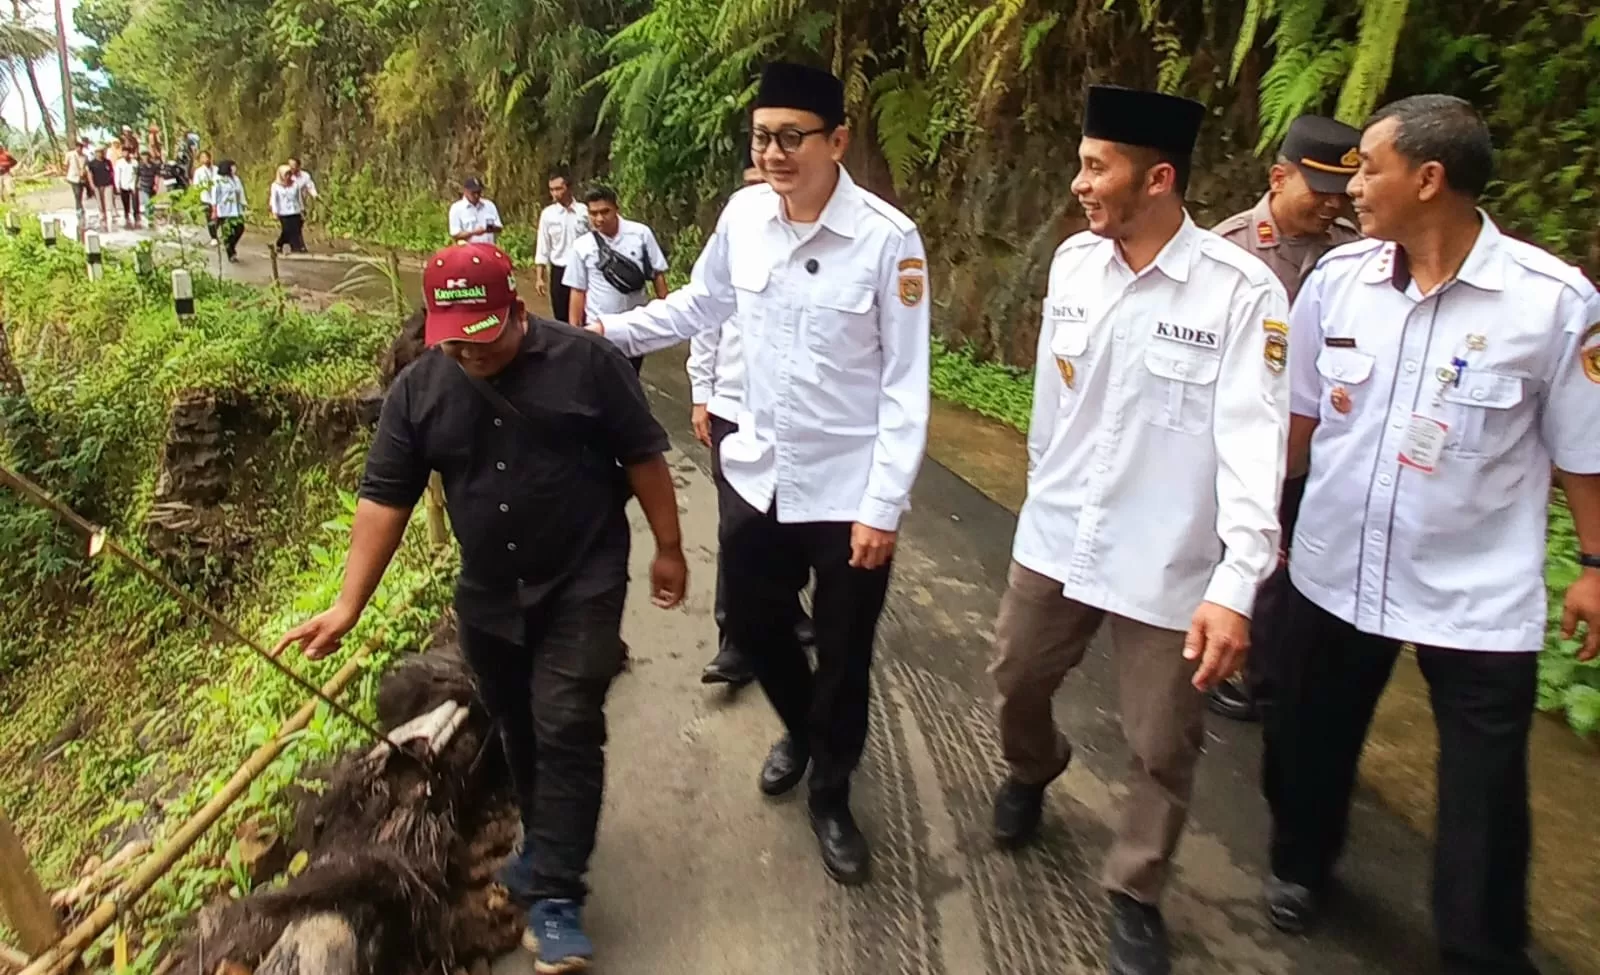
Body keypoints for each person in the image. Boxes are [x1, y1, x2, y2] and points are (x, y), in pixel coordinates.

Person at [274, 242, 688, 974]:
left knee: (566, 720)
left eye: (484, 331)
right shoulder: (421, 390)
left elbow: (644, 455)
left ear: (517, 310)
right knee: (518, 726)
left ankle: (557, 894)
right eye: (454, 335)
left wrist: (669, 546)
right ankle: (541, 846)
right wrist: (347, 605)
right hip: (490, 591)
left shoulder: (586, 364)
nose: (470, 349)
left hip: (581, 577)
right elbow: (385, 499)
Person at [1262, 94, 1600, 975]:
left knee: (1485, 789)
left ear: (1428, 178)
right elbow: (1294, 425)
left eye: (1368, 167)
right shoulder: (1337, 285)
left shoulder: (1554, 304)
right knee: (1305, 730)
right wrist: (1256, 530)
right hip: (1335, 561)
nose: (1352, 186)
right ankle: (1301, 864)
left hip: (1474, 585)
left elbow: (1586, 451)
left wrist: (1595, 565)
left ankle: (1479, 948)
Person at [589, 61, 931, 887]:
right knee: (758, 623)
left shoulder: (888, 240)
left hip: (848, 491)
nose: (774, 154)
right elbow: (703, 305)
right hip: (757, 475)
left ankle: (833, 795)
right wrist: (608, 336)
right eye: (761, 138)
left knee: (845, 654)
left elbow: (905, 384)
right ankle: (807, 728)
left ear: (838, 140)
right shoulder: (744, 215)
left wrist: (883, 507)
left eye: (791, 137)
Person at [986, 85, 1288, 975]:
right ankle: (1033, 767)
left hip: (1168, 556)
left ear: (1158, 178)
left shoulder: (1241, 293)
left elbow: (1252, 442)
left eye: (1094, 166)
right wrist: (1041, 490)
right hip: (1059, 536)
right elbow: (1053, 402)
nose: (1078, 183)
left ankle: (1136, 887)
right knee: (1013, 676)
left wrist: (1235, 584)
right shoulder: (1074, 265)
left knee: (1164, 743)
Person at [1206, 115, 1363, 723]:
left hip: (1317, 442)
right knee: (1240, 546)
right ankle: (1226, 654)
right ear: (1279, 177)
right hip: (1240, 436)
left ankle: (1271, 672)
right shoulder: (1228, 249)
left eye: (1340, 194)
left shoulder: (1354, 254)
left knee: (1292, 557)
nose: (1331, 204)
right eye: (1319, 190)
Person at [686, 160, 817, 687]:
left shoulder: (816, 256)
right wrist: (700, 395)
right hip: (733, 410)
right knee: (738, 525)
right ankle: (735, 641)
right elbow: (703, 320)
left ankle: (785, 613)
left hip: (798, 417)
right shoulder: (735, 242)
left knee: (791, 520)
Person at [564, 185, 668, 374]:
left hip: (636, 324)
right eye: (593, 213)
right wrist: (575, 331)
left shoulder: (640, 234)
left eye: (605, 212)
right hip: (599, 327)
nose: (599, 219)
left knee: (631, 374)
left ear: (616, 209)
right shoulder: (582, 246)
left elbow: (657, 274)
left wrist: (667, 313)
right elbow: (578, 290)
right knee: (602, 378)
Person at [534, 173, 588, 324]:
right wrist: (539, 277)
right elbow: (543, 246)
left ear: (569, 188)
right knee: (560, 315)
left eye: (559, 188)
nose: (555, 193)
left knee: (584, 314)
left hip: (583, 269)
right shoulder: (548, 215)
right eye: (552, 189)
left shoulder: (584, 212)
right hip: (559, 271)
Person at [448, 176, 503, 245]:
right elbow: (455, 234)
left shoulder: (489, 205)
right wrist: (473, 232)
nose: (476, 195)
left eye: (479, 192)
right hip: (468, 251)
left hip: (488, 248)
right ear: (465, 191)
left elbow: (499, 227)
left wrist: (487, 229)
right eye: (473, 193)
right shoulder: (456, 208)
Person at [211, 159, 247, 262]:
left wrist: (244, 204)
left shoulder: (236, 179)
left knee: (240, 228)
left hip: (236, 209)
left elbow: (241, 192)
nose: (234, 169)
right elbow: (215, 196)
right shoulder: (218, 179)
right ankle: (230, 253)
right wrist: (214, 210)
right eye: (232, 167)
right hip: (224, 209)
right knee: (228, 232)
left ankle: (231, 245)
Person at [270, 164, 307, 254]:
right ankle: (280, 243)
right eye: (286, 174)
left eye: (290, 174)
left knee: (296, 229)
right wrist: (275, 211)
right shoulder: (275, 186)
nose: (288, 177)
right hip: (283, 212)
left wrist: (302, 209)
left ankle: (296, 246)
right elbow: (274, 199)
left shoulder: (295, 185)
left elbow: (299, 198)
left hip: (295, 210)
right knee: (287, 230)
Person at [192, 151, 219, 241]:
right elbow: (196, 185)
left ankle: (216, 229)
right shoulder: (199, 171)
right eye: (202, 157)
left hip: (216, 196)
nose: (204, 159)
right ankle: (213, 237)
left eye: (206, 157)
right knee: (209, 218)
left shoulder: (216, 169)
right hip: (205, 197)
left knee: (219, 217)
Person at [87, 147, 115, 229]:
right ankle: (102, 213)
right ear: (95, 153)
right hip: (97, 184)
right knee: (100, 200)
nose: (100, 154)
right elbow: (89, 174)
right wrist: (91, 183)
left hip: (107, 184)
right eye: (98, 152)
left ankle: (109, 214)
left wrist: (113, 182)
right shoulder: (91, 163)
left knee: (108, 199)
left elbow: (111, 172)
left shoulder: (107, 162)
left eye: (101, 152)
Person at [114, 148, 140, 228]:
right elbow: (117, 175)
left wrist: (135, 184)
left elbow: (136, 174)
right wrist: (117, 186)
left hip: (132, 184)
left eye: (127, 152)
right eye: (124, 152)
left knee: (135, 200)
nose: (125, 154)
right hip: (123, 184)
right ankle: (126, 213)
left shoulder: (134, 162)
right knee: (125, 201)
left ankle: (136, 215)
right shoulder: (119, 163)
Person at [64, 137, 89, 216]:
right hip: (72, 177)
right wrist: (65, 174)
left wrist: (85, 172)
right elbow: (65, 165)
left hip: (81, 178)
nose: (79, 148)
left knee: (80, 193)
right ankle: (78, 208)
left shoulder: (85, 157)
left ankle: (80, 206)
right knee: (77, 193)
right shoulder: (70, 154)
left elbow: (86, 166)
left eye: (81, 147)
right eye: (78, 147)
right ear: (76, 147)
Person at [135, 150, 161, 224]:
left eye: (146, 157)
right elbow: (138, 175)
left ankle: (151, 216)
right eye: (143, 157)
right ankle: (149, 217)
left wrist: (156, 185)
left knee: (152, 202)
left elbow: (157, 175)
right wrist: (137, 183)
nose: (145, 159)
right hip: (143, 186)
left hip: (152, 186)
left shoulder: (154, 166)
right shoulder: (140, 166)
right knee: (147, 202)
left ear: (149, 157)